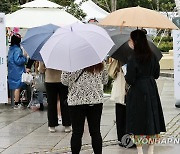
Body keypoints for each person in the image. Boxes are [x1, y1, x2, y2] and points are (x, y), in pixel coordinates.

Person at [124, 29, 166, 154]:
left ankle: (140, 151)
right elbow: (157, 74)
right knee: (151, 118)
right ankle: (151, 150)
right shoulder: (152, 56)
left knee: (138, 119)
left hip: (137, 90)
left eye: (131, 40)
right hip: (151, 88)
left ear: (135, 41)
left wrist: (126, 74)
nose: (130, 42)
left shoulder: (132, 58)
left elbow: (130, 79)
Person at [61, 62, 108, 154]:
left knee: (77, 133)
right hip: (95, 100)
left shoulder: (70, 61)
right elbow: (105, 80)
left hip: (76, 101)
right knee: (95, 132)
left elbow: (64, 81)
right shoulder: (99, 61)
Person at [45, 68, 71, 133]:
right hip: (63, 80)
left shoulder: (46, 57)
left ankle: (52, 125)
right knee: (65, 102)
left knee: (51, 103)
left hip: (50, 80)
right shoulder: (64, 57)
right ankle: (67, 125)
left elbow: (41, 69)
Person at [108, 59, 127, 147]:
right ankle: (128, 138)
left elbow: (112, 73)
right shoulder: (134, 56)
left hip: (119, 87)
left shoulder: (119, 57)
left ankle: (122, 139)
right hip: (127, 87)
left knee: (120, 115)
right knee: (129, 115)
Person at [8, 33, 27, 109]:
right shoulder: (18, 49)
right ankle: (17, 103)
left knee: (15, 87)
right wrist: (24, 58)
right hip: (18, 71)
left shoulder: (11, 49)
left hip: (12, 70)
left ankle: (15, 102)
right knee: (18, 87)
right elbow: (18, 60)